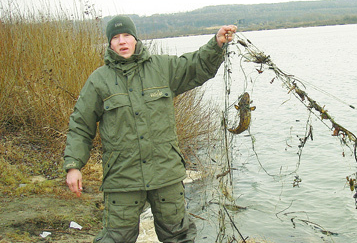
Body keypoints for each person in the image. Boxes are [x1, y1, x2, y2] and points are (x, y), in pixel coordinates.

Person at [64, 15, 236, 243]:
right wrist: (74, 165)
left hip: (165, 175)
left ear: (136, 39)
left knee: (179, 236)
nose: (122, 41)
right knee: (116, 238)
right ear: (109, 44)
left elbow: (196, 66)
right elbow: (80, 125)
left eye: (126, 35)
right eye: (115, 37)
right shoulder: (99, 81)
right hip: (123, 179)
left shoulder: (162, 68)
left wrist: (217, 44)